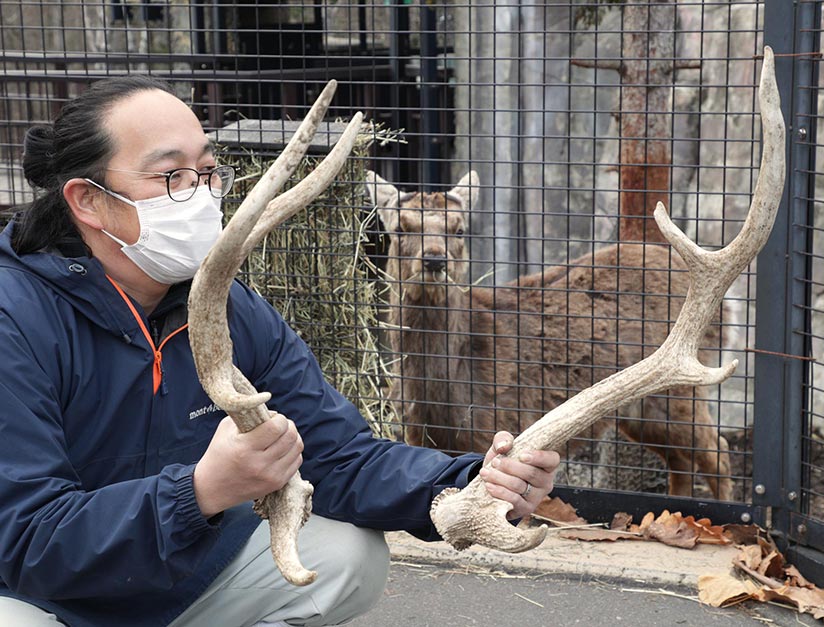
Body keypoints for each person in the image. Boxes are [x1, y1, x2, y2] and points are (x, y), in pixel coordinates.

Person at [0, 76, 561, 627]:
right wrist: (201, 491)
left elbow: (336, 455)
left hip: (176, 577)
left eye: (209, 171)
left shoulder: (229, 307)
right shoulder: (15, 317)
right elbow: (27, 539)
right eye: (172, 176)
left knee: (348, 557)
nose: (199, 194)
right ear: (88, 201)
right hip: (41, 595)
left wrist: (472, 483)